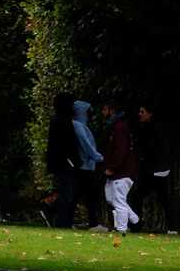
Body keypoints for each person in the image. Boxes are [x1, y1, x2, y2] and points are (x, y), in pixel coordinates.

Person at [130, 103, 176, 233]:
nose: (139, 114)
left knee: (157, 198)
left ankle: (136, 225)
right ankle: (171, 227)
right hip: (154, 170)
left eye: (142, 112)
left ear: (150, 114)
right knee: (161, 198)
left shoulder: (154, 129)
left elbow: (157, 150)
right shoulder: (148, 128)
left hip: (155, 171)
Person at [101, 101, 139, 235]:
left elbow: (120, 150)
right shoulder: (118, 127)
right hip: (121, 171)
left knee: (118, 200)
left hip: (122, 171)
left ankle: (122, 229)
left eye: (105, 109)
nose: (103, 113)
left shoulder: (119, 128)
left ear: (111, 110)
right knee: (112, 198)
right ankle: (133, 218)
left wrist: (112, 167)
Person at [46, 92, 81, 227]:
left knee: (65, 192)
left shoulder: (56, 119)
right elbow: (68, 144)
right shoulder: (64, 121)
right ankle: (63, 222)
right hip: (65, 163)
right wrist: (74, 161)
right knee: (67, 194)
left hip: (60, 163)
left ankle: (62, 220)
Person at [72, 100, 106, 231]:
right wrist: (97, 156)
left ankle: (91, 222)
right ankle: (93, 223)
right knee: (89, 195)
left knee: (81, 194)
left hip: (85, 165)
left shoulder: (80, 125)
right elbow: (86, 144)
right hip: (84, 166)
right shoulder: (79, 126)